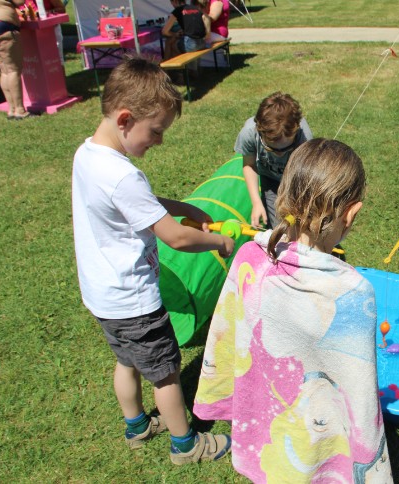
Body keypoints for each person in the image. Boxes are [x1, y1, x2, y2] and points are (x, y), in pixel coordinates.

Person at [193, 138, 393, 483]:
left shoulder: (248, 259)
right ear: (352, 213)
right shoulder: (353, 292)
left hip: (263, 434)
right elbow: (360, 396)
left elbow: (225, 340)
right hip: (317, 448)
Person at [71, 57, 235, 466]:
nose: (158, 141)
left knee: (125, 362)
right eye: (156, 131)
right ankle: (186, 445)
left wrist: (182, 206)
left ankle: (137, 426)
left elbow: (138, 203)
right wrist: (218, 241)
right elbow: (176, 237)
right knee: (165, 374)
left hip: (103, 298)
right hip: (136, 302)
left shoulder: (88, 155)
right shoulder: (124, 176)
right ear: (125, 119)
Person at [235, 92, 313, 228]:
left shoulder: (304, 138)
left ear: (296, 131)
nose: (279, 154)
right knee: (277, 227)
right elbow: (249, 165)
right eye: (271, 148)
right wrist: (256, 203)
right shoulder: (249, 133)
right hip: (270, 179)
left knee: (303, 223)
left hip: (297, 180)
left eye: (286, 149)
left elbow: (306, 175)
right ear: (260, 133)